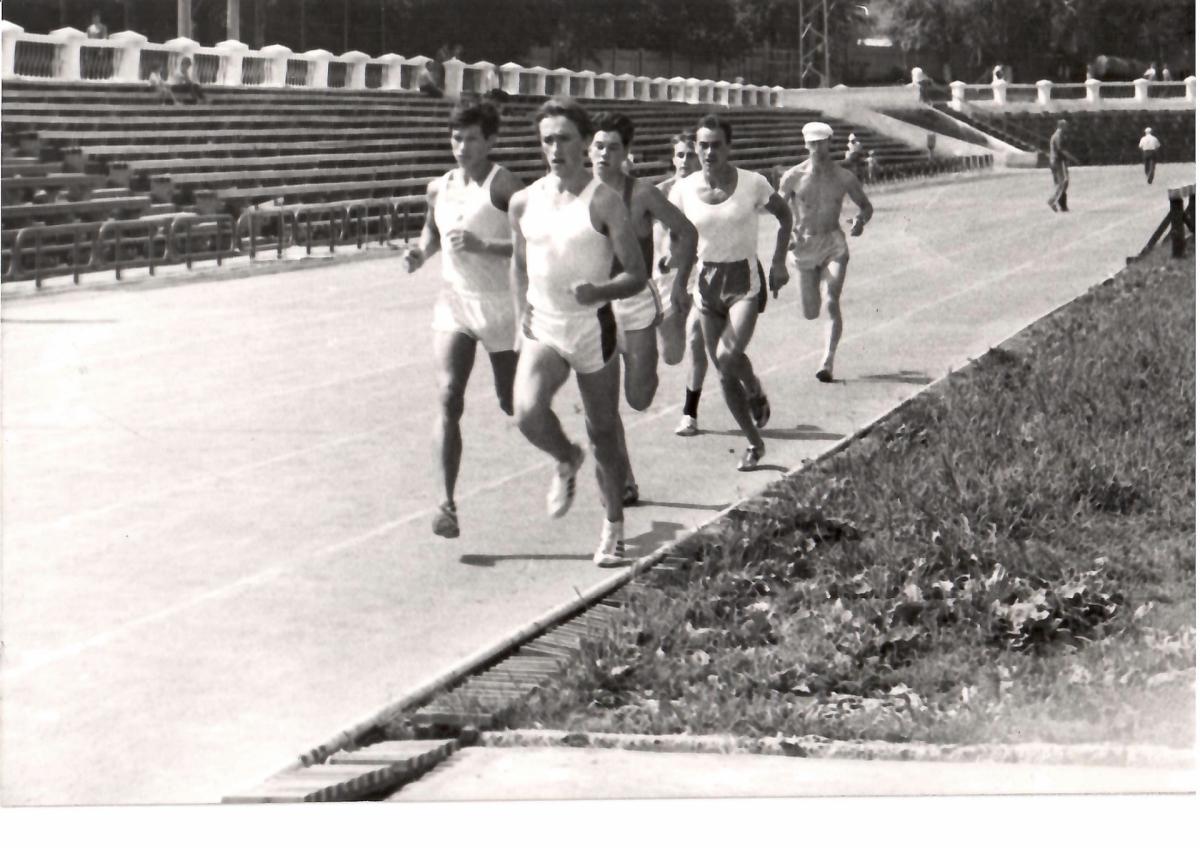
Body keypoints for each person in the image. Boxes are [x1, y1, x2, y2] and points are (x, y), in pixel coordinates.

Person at [508, 97, 649, 566]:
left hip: (592, 327)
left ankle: (614, 526)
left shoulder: (604, 201)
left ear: (585, 143)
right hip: (544, 326)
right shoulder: (523, 202)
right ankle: (566, 457)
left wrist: (598, 291)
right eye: (547, 140)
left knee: (603, 432)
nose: (555, 149)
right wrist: (520, 315)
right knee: (527, 412)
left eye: (565, 139)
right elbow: (518, 264)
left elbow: (636, 274)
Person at [401, 99, 524, 538]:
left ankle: (566, 451)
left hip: (502, 306)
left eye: (472, 139)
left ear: (491, 141)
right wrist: (420, 253)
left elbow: (533, 243)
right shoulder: (439, 187)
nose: (462, 147)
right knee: (449, 395)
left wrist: (484, 246)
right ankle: (446, 505)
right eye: (457, 138)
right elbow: (432, 232)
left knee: (515, 404)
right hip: (455, 303)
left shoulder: (505, 185)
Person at [668, 114, 792, 471]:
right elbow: (680, 239)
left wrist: (779, 262)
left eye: (716, 145)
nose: (710, 152)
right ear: (696, 148)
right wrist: (678, 280)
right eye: (703, 145)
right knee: (724, 371)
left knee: (726, 356)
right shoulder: (683, 190)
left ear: (729, 147)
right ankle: (754, 443)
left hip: (744, 281)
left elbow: (785, 217)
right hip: (706, 283)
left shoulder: (752, 183)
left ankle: (751, 385)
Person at [588, 112, 698, 504]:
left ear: (625, 153)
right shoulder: (575, 195)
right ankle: (623, 481)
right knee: (602, 403)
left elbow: (687, 232)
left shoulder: (643, 194)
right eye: (598, 146)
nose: (604, 154)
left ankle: (646, 367)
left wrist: (680, 282)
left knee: (638, 398)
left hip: (636, 302)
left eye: (613, 147)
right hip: (593, 308)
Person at [779, 122, 874, 386]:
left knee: (831, 299)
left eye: (822, 142)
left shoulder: (844, 177)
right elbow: (778, 211)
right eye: (813, 143)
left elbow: (866, 206)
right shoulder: (792, 177)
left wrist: (860, 220)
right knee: (811, 312)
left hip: (833, 243)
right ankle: (826, 354)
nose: (818, 148)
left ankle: (827, 361)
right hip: (804, 246)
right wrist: (789, 234)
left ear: (830, 142)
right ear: (805, 144)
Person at [657, 132, 709, 437]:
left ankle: (690, 413)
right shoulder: (660, 193)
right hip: (668, 279)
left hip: (701, 274)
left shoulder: (710, 193)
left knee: (695, 341)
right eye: (680, 154)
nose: (685, 160)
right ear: (672, 159)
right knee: (672, 354)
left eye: (691, 154)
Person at [1047, 119, 1070, 212]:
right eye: (1066, 126)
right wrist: (1071, 157)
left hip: (1054, 161)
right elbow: (1061, 149)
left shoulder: (1056, 135)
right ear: (1061, 126)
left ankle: (1060, 204)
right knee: (1063, 182)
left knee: (1059, 183)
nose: (1067, 127)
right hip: (1057, 161)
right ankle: (1052, 201)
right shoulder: (1058, 135)